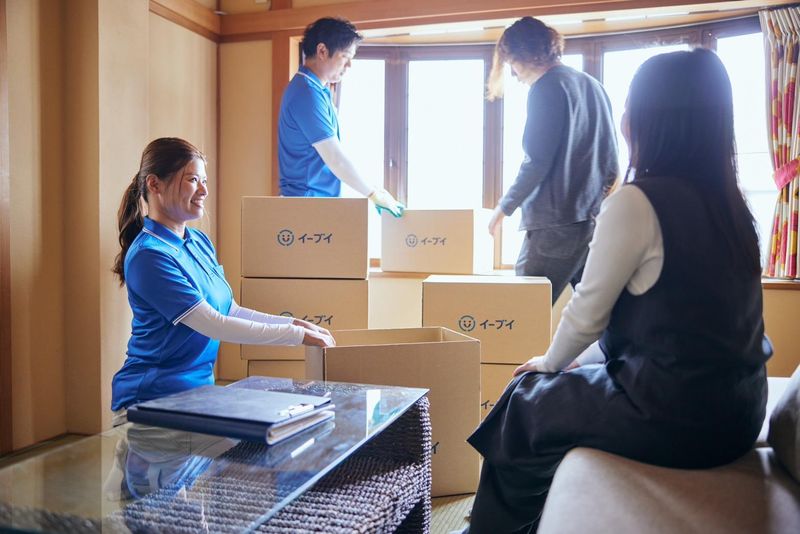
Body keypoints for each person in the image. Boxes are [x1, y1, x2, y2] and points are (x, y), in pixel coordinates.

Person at [465, 49, 772, 533]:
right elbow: (666, 323)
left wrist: (550, 363)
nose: (624, 117)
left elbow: (588, 312)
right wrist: (574, 363)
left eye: (631, 104)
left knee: (524, 400)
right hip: (740, 411)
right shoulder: (732, 204)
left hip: (676, 415)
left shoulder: (638, 202)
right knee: (560, 384)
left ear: (652, 119)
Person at [110, 138, 335, 423]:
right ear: (154, 184)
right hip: (153, 399)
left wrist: (295, 324)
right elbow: (213, 323)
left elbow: (229, 310)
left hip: (198, 395)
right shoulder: (150, 256)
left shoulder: (199, 241)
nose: (204, 190)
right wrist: (296, 337)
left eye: (204, 180)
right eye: (193, 180)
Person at [486, 17, 618, 304]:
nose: (514, 73)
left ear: (523, 55)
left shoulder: (546, 87)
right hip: (591, 222)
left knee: (523, 311)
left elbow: (537, 161)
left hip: (554, 226)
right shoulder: (593, 85)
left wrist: (503, 208)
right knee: (595, 313)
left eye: (511, 63)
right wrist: (595, 206)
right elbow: (611, 164)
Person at [277, 17, 403, 217]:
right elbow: (335, 158)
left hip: (315, 201)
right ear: (322, 51)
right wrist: (373, 194)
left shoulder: (317, 90)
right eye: (345, 56)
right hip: (306, 202)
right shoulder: (306, 93)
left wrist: (374, 189)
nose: (349, 65)